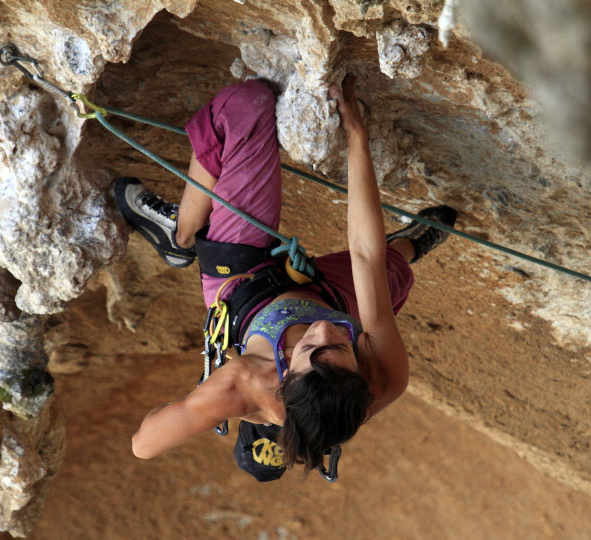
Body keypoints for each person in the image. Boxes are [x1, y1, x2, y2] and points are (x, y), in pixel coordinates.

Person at [114, 74, 457, 480]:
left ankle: (180, 233)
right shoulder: (383, 377)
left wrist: (201, 403)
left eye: (311, 348)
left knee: (248, 105)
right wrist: (356, 133)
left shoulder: (242, 383)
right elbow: (365, 253)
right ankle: (410, 244)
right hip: (325, 293)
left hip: (246, 284)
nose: (325, 331)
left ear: (285, 375)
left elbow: (143, 445)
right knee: (387, 269)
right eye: (343, 348)